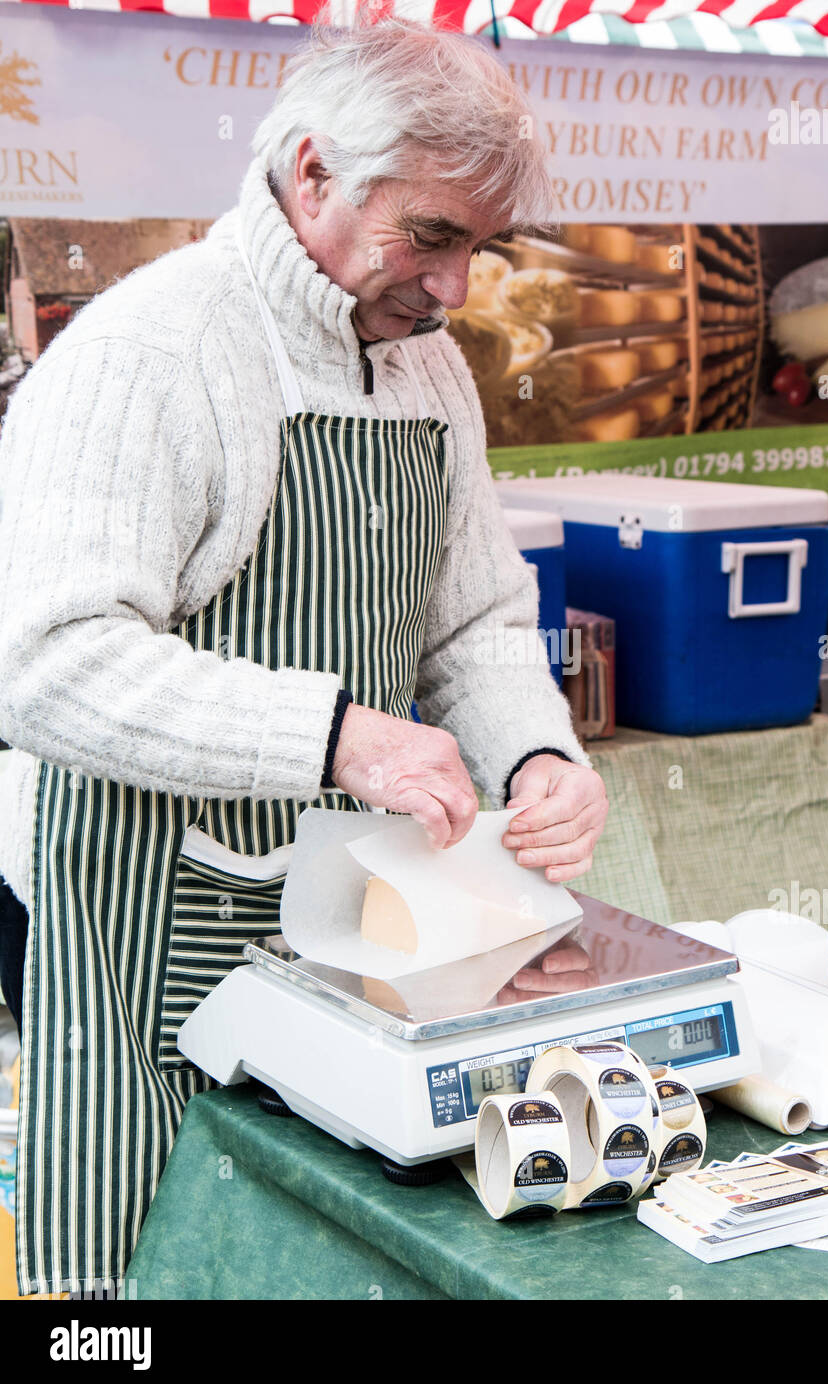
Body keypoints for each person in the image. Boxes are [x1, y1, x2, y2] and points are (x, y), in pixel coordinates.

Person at [0, 13, 607, 1296]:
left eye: (477, 250)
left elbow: (475, 623)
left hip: (368, 941)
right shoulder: (148, 352)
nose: (453, 290)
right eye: (431, 238)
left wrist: (536, 751)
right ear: (314, 171)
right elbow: (46, 661)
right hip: (159, 946)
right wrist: (337, 735)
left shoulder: (431, 370)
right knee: (140, 1289)